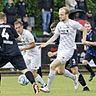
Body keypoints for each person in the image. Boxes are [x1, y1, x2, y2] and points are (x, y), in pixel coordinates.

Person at [40, 7, 87, 93]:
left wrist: (83, 40)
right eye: (59, 15)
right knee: (60, 71)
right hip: (61, 50)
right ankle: (74, 77)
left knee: (52, 66)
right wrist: (46, 43)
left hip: (68, 50)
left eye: (61, 15)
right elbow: (55, 36)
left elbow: (84, 29)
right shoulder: (59, 24)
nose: (60, 16)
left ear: (67, 15)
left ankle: (47, 88)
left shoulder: (73, 23)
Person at [0, 12, 39, 94]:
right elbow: (19, 38)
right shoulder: (10, 26)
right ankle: (34, 83)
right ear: (5, 19)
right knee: (25, 70)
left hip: (4, 52)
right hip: (15, 51)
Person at [48, 21, 89, 91]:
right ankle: (74, 77)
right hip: (64, 53)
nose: (53, 32)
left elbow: (66, 47)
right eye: (52, 31)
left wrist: (54, 53)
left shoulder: (64, 35)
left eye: (54, 30)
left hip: (71, 51)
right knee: (60, 71)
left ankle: (85, 87)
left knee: (74, 70)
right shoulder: (56, 36)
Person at [14, 20, 46, 88]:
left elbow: (33, 45)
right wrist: (24, 51)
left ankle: (44, 85)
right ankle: (28, 80)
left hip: (34, 55)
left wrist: (23, 49)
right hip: (28, 54)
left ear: (22, 26)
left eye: (19, 27)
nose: (18, 29)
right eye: (16, 28)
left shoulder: (27, 34)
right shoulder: (19, 34)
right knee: (23, 68)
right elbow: (25, 43)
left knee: (34, 73)